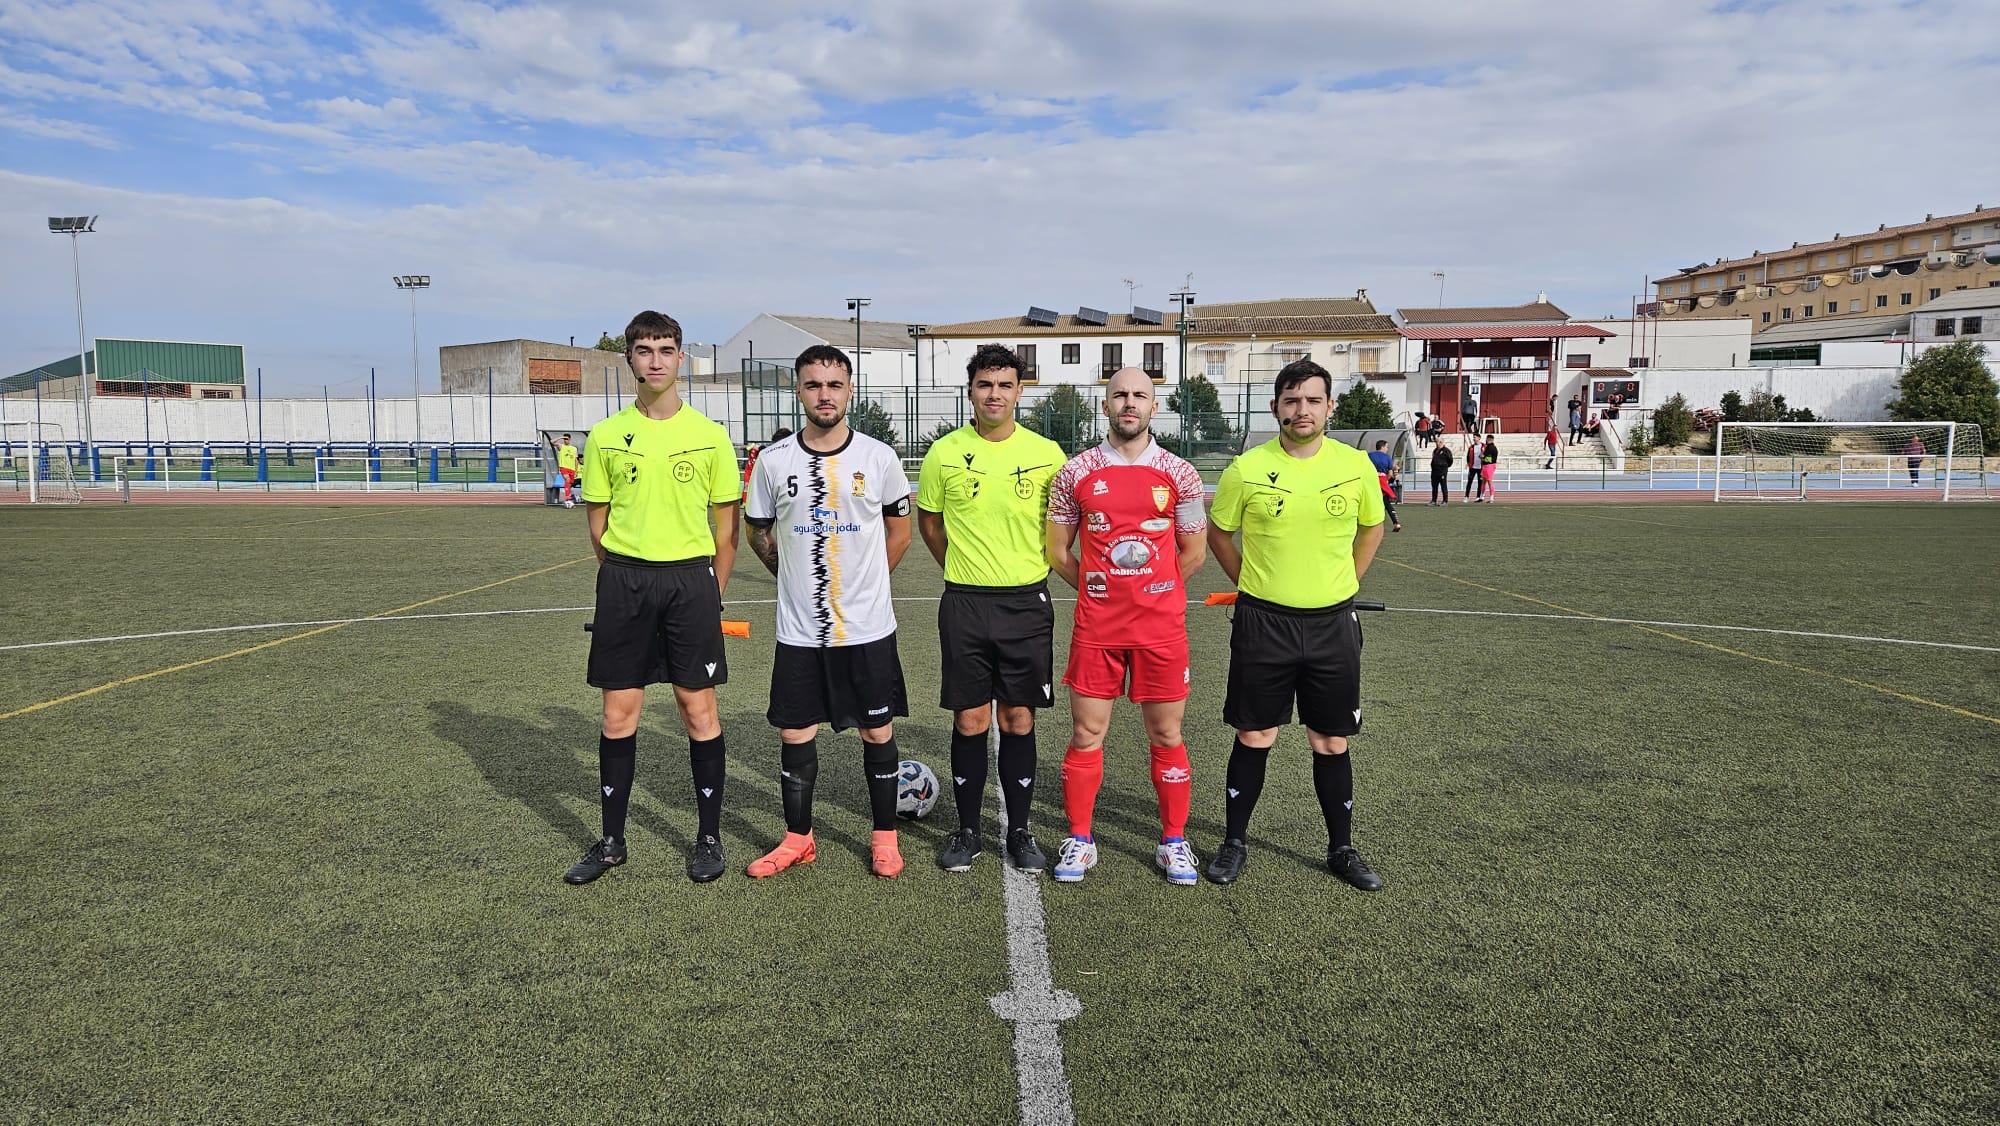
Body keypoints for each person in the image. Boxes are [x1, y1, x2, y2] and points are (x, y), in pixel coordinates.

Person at [565, 310, 741, 886]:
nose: (656, 361)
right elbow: (598, 524)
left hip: (691, 584)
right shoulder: (609, 436)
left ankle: (708, 836)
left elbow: (725, 531)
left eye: (666, 350)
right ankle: (612, 840)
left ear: (680, 358)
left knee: (698, 710)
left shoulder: (711, 436)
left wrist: (709, 592)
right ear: (630, 360)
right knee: (619, 715)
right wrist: (624, 573)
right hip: (625, 581)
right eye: (645, 351)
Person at [1204, 359, 1387, 890]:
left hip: (1333, 624)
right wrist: (1251, 582)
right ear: (1276, 407)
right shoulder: (1247, 468)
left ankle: (1342, 848)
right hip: (1265, 622)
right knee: (1255, 733)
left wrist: (1346, 581)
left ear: (1329, 406)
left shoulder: (1354, 467)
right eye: (1291, 400)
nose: (1301, 410)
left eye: (1312, 400)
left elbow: (1372, 527)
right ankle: (1234, 842)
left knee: (1330, 740)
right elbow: (1220, 534)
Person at [742, 346, 914, 879]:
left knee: (877, 731)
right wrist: (787, 575)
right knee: (794, 733)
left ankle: (884, 837)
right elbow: (757, 530)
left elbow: (899, 531)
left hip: (866, 628)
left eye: (834, 385)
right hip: (799, 630)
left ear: (850, 391)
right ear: (798, 390)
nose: (824, 394)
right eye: (814, 385)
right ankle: (799, 838)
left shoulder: (880, 458)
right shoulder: (772, 463)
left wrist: (866, 583)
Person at [1043, 368, 1208, 885]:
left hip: (1161, 630)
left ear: (1154, 406)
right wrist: (1099, 590)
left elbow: (1194, 553)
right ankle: (1080, 837)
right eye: (1120, 395)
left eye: (1140, 395)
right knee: (1087, 733)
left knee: (1167, 734)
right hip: (1097, 630)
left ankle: (1174, 840)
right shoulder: (1075, 472)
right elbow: (1056, 551)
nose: (1129, 403)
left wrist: (1151, 592)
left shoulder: (1180, 473)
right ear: (1106, 405)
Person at [916, 343, 1066, 874]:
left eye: (1005, 385)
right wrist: (960, 565)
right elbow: (929, 524)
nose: (994, 394)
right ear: (971, 391)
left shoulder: (1048, 454)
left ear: (1020, 391)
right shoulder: (944, 454)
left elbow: (1061, 529)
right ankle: (967, 830)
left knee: (1019, 716)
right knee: (971, 716)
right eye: (985, 385)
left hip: (1026, 602)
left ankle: (1021, 830)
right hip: (965, 602)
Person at [1369, 440, 1402, 532]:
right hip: (1383, 481)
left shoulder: (1369, 455)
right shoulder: (1387, 458)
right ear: (1382, 447)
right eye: (1387, 447)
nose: (1387, 449)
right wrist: (1386, 481)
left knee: (1370, 503)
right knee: (1387, 504)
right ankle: (1396, 523)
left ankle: (1370, 524)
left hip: (1372, 481)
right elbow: (1391, 474)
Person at [555, 433, 581, 507]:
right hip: (564, 467)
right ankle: (567, 497)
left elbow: (576, 460)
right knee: (567, 480)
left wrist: (576, 471)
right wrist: (560, 437)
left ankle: (570, 497)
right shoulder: (561, 446)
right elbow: (552, 441)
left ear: (570, 439)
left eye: (566, 439)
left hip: (572, 468)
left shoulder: (574, 448)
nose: (565, 440)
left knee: (570, 483)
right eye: (564, 439)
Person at [1429, 439, 1454, 505]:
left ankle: (1445, 501)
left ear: (1441, 442)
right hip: (1434, 471)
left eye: (1437, 442)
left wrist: (1444, 466)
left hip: (1442, 472)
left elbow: (1450, 460)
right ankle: (1434, 500)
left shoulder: (1446, 451)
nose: (1436, 443)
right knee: (1434, 487)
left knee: (1443, 486)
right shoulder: (1435, 450)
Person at [1477, 434, 1500, 501]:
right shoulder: (1488, 447)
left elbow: (1482, 456)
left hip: (1489, 465)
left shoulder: (1491, 447)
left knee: (1489, 481)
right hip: (1485, 465)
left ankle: (1491, 496)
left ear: (1489, 439)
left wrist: (1482, 453)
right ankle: (1482, 496)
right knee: (1484, 481)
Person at [1462, 432, 1482, 501]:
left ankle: (1478, 496)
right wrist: (1468, 464)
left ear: (1479, 438)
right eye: (1473, 437)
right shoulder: (1471, 447)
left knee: (1480, 483)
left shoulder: (1484, 446)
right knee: (1469, 482)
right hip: (1472, 468)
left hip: (1480, 468)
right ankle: (1466, 497)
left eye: (1475, 437)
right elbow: (1468, 456)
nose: (1473, 438)